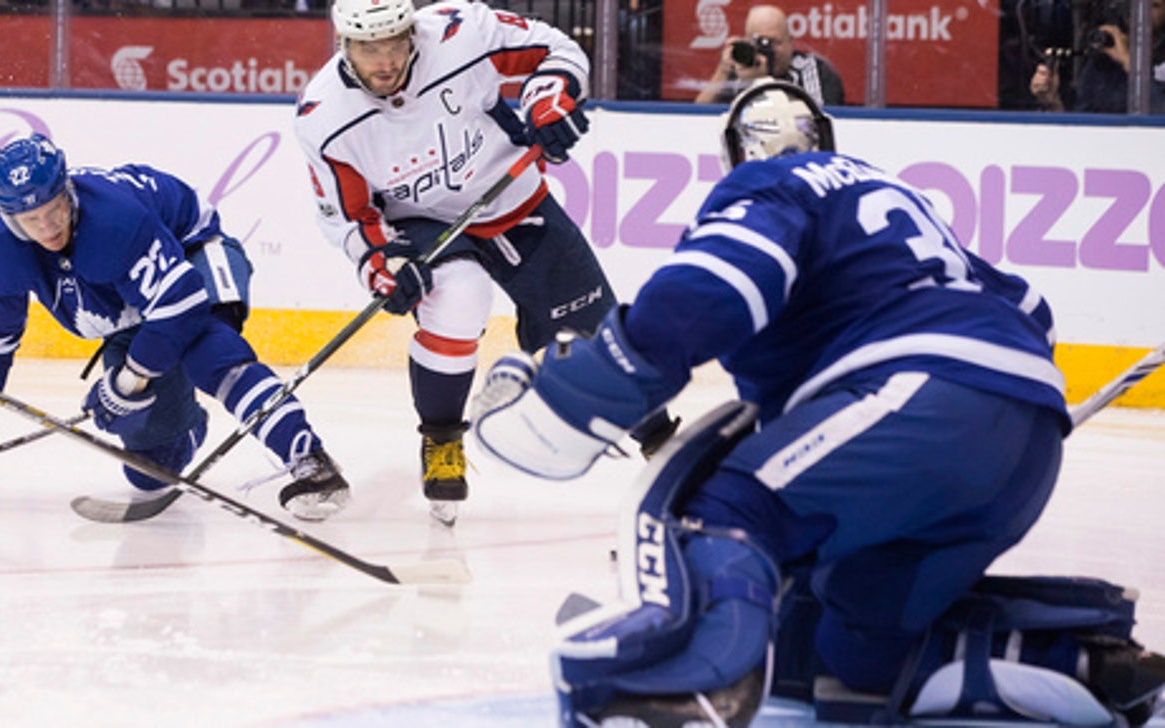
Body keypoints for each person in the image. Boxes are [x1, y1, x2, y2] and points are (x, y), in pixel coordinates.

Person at [470, 80, 1165, 727]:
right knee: (846, 644)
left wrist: (588, 387)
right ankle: (1075, 659)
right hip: (1021, 433)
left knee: (729, 514)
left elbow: (708, 293)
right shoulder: (900, 202)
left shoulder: (770, 184)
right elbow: (1030, 311)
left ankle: (686, 682)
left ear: (736, 154)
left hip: (918, 397)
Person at [292, 0, 676, 526]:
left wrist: (548, 100)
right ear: (344, 45)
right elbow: (350, 216)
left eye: (394, 44)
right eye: (368, 48)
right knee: (460, 296)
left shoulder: (461, 33)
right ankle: (443, 440)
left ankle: (662, 443)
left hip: (512, 195)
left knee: (590, 328)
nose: (384, 62)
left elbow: (556, 51)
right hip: (421, 222)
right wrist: (381, 264)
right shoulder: (325, 117)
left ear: (411, 33)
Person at [0, 133, 351, 523]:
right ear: (7, 217)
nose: (48, 227)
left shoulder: (113, 220)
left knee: (208, 353)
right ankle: (187, 420)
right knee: (152, 471)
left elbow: (180, 302)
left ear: (67, 191)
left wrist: (129, 381)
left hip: (193, 254)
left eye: (54, 209)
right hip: (136, 304)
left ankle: (309, 459)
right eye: (30, 220)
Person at [694, 4, 844, 107]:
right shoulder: (739, 69)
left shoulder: (815, 70)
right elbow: (698, 118)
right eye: (759, 42)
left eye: (775, 42)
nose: (768, 50)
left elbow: (819, 122)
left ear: (790, 42)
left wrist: (763, 82)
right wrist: (723, 71)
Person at [1030, 0, 1165, 113]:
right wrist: (1053, 102)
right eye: (1131, 5)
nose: (1141, 16)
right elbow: (1082, 129)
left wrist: (1129, 61)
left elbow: (1158, 115)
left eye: (1153, 6)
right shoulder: (1102, 64)